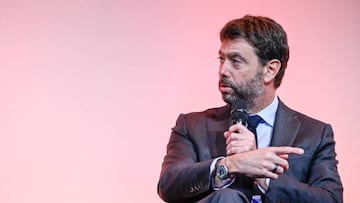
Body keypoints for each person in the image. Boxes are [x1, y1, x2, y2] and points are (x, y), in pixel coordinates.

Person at [157, 15, 343, 203]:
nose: (223, 70)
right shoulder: (192, 126)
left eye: (235, 61)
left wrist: (263, 175)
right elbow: (168, 185)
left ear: (270, 70)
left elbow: (331, 199)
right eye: (221, 59)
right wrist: (230, 165)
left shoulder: (314, 134)